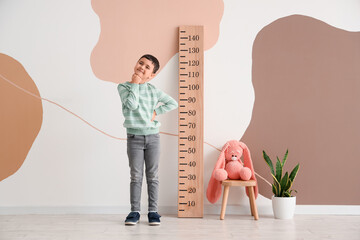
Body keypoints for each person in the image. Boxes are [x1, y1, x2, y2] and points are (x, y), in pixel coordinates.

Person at [117, 54, 178, 225]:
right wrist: (135, 84)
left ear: (151, 75)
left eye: (147, 67)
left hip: (153, 137)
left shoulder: (153, 90)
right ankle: (134, 211)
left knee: (153, 176)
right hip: (134, 137)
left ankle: (153, 211)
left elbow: (173, 103)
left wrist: (156, 112)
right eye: (141, 63)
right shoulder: (123, 87)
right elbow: (131, 105)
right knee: (136, 176)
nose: (142, 68)